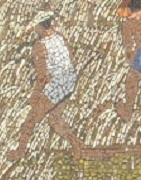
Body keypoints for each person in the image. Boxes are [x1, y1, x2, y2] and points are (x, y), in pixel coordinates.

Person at [7, 11, 85, 161]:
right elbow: (71, 62)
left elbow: (42, 77)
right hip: (69, 81)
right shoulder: (60, 38)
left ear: (39, 27)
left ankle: (18, 153)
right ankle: (76, 145)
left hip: (57, 84)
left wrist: (35, 96)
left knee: (30, 120)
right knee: (55, 120)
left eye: (35, 27)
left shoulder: (39, 46)